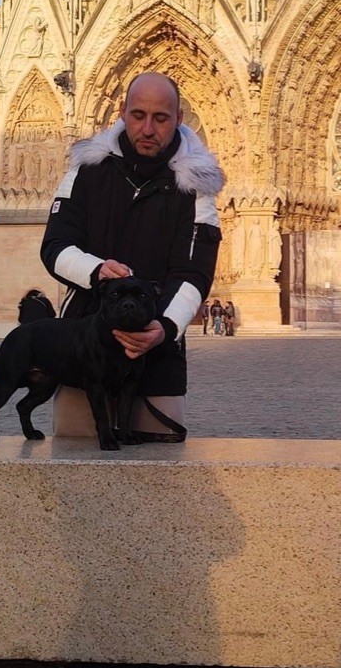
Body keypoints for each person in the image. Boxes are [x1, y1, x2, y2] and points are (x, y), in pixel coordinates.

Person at [41, 71, 224, 441]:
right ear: (123, 112)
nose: (148, 129)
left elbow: (195, 272)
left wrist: (165, 328)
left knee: (161, 472)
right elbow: (55, 247)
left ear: (179, 119)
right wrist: (97, 270)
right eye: (138, 115)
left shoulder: (197, 186)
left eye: (161, 118)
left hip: (156, 350)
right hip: (86, 345)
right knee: (75, 459)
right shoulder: (87, 170)